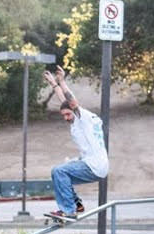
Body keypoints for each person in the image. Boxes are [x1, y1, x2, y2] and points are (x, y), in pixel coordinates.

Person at [42, 66, 109, 218]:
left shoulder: (82, 117)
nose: (66, 118)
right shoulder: (82, 119)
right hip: (96, 164)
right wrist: (53, 83)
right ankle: (76, 203)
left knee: (60, 171)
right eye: (63, 115)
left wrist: (63, 82)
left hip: (94, 165)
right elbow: (64, 101)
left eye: (67, 114)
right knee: (58, 172)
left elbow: (71, 101)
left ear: (74, 111)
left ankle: (68, 210)